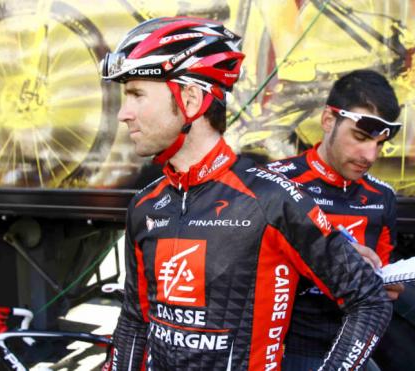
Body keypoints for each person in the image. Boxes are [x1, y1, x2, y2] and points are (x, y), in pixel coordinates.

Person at [101, 18, 391, 370]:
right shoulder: (144, 206)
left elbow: (369, 300)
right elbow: (134, 320)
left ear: (190, 98)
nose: (123, 114)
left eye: (136, 94)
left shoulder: (272, 200)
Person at [266, 69, 404, 370]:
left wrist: (389, 285)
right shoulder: (274, 182)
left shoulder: (382, 197)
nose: (370, 155)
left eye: (380, 144)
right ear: (329, 121)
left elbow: (381, 284)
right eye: (360, 137)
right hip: (285, 352)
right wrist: (334, 260)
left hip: (351, 351)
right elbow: (243, 276)